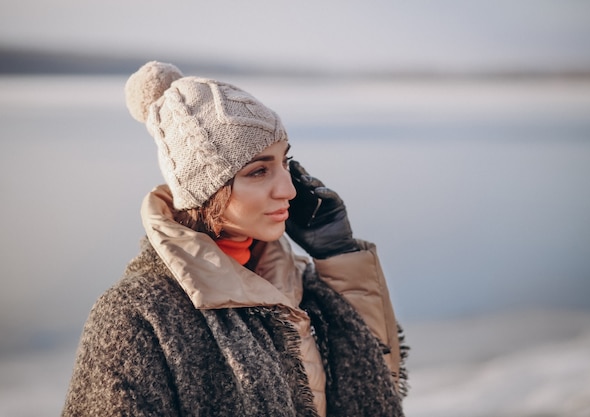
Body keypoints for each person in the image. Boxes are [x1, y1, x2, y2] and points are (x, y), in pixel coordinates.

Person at [62, 61, 408, 417]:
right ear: (205, 189)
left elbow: (378, 387)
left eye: (284, 163)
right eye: (258, 171)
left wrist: (339, 255)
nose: (288, 190)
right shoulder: (138, 315)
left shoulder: (294, 289)